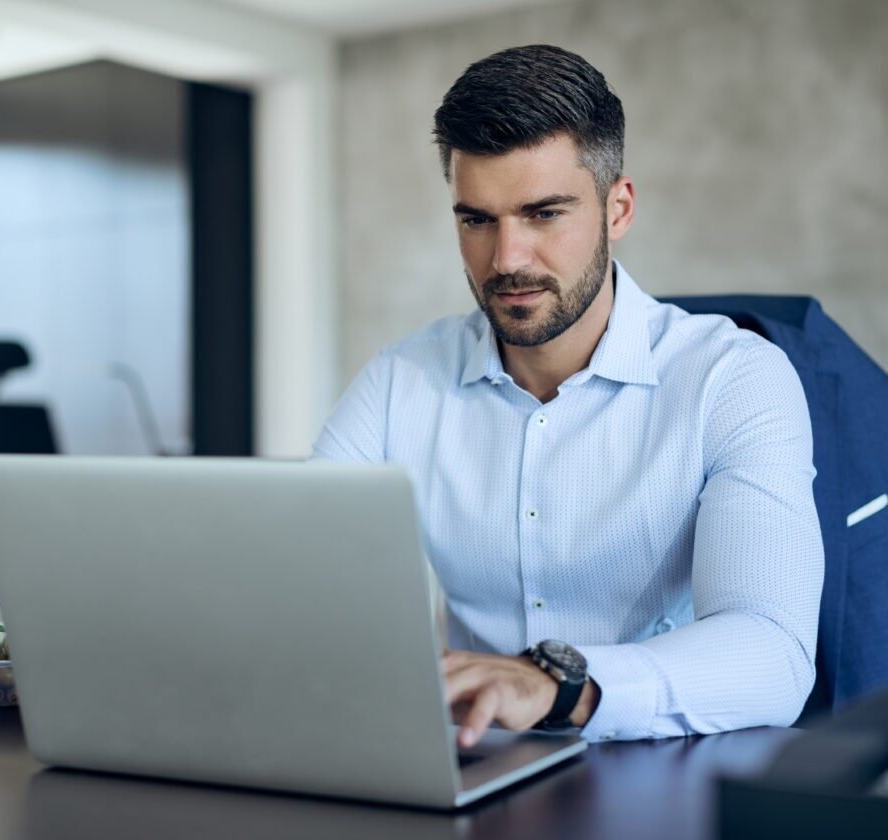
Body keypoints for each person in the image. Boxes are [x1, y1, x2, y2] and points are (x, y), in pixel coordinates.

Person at [313, 44, 823, 746]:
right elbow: (298, 588)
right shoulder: (401, 381)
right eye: (476, 220)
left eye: (544, 214)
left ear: (618, 208)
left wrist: (559, 685)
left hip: (665, 773)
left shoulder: (732, 378)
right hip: (475, 764)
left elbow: (773, 653)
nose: (507, 259)